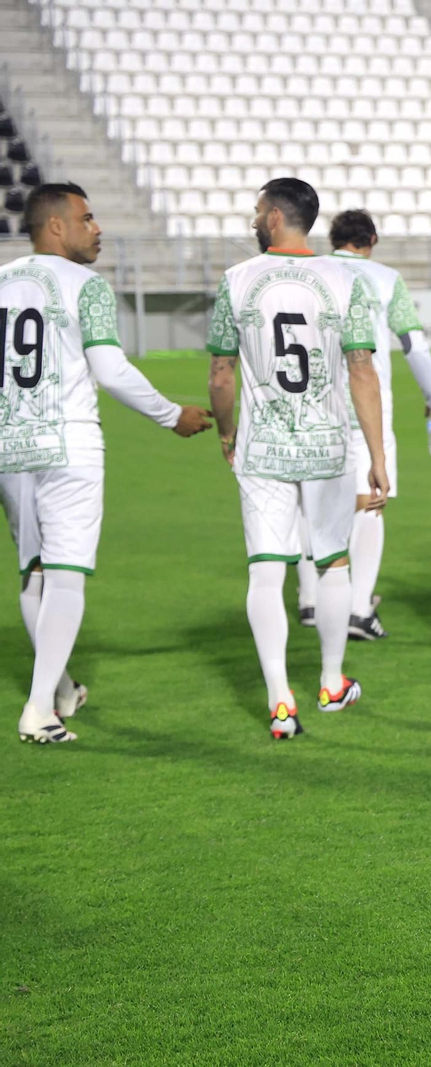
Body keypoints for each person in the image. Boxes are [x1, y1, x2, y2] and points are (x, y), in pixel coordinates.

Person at [2, 183, 210, 743]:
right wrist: (171, 415)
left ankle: (63, 690)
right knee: (67, 573)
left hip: (12, 444)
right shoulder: (86, 286)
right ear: (55, 228)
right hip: (68, 443)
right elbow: (111, 369)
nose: (97, 229)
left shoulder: (1, 281)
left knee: (35, 571)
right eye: (86, 218)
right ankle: (40, 709)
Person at [206, 178, 387, 737]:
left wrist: (228, 433)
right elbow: (362, 369)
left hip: (263, 447)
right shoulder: (344, 279)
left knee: (265, 569)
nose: (252, 222)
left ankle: (280, 700)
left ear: (278, 216)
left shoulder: (235, 281)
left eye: (258, 212)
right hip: (327, 445)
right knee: (333, 562)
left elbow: (220, 374)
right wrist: (378, 454)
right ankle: (332, 682)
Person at [289, 209, 431, 641]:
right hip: (366, 407)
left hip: (313, 405)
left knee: (311, 502)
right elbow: (413, 345)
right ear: (371, 239)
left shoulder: (309, 272)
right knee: (372, 501)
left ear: (333, 238)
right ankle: (359, 609)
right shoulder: (385, 279)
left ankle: (309, 602)